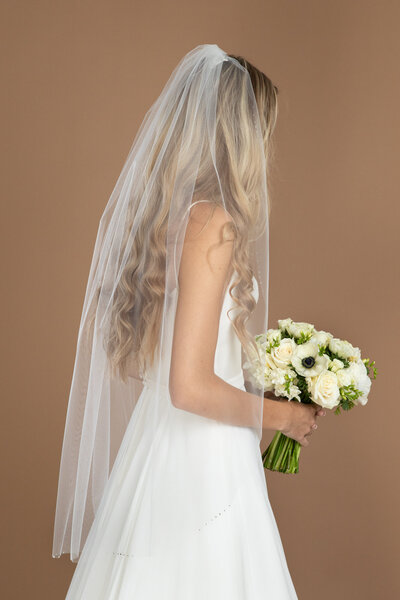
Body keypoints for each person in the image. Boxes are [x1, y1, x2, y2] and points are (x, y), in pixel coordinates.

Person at [52, 43, 325, 599]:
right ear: (244, 135)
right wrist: (281, 416)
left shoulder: (181, 216)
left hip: (168, 450)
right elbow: (189, 384)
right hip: (200, 467)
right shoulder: (215, 223)